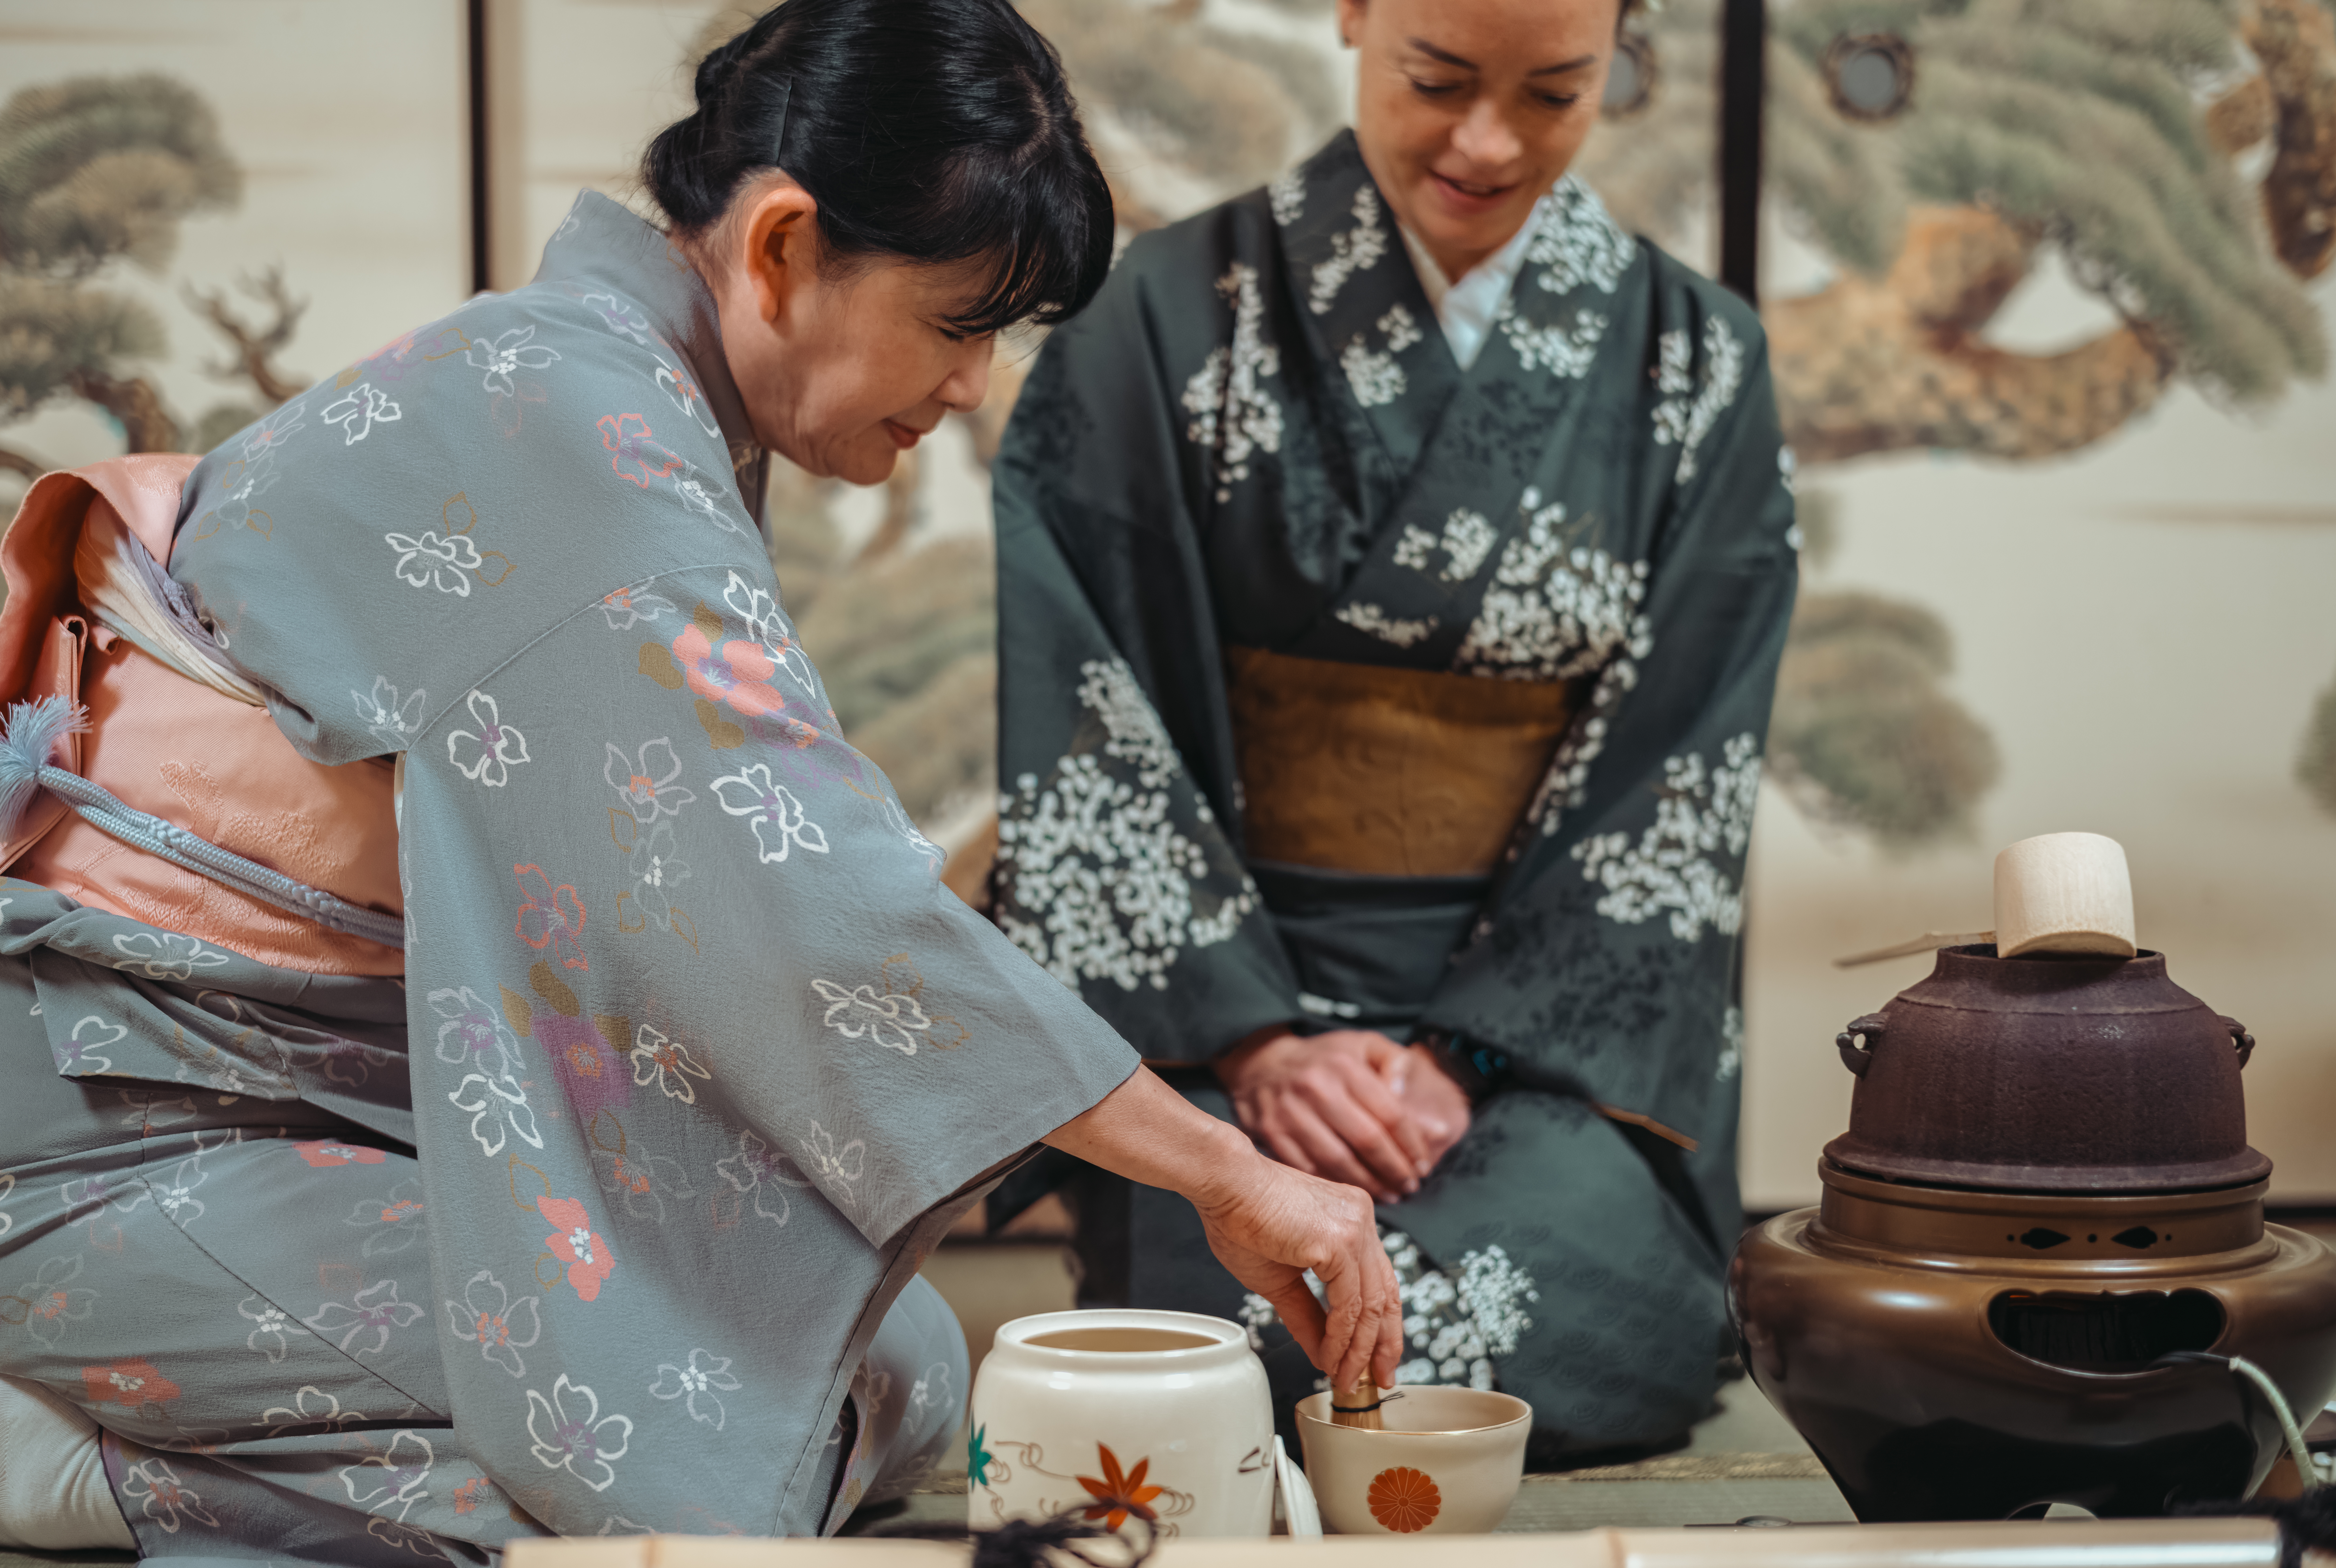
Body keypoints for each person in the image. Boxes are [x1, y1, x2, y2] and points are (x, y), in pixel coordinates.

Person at [0, 2, 1400, 1558]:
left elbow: (703, 905)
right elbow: (808, 911)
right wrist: (1226, 1170)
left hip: (306, 1099)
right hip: (113, 1128)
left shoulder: (623, 400)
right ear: (786, 244)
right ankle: (69, 1467)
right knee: (675, 1464)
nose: (968, 386)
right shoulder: (574, 431)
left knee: (903, 1367)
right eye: (955, 323)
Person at [990, 0, 1795, 1462]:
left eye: (1554, 93)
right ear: (1353, 16)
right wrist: (1257, 1042)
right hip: (1230, 1017)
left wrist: (1456, 1059)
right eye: (1436, 80)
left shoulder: (1696, 361)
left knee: (1594, 1314)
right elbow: (1090, 700)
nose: (1486, 142)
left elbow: (1679, 764)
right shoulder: (1159, 318)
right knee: (1212, 1304)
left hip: (1522, 1057)